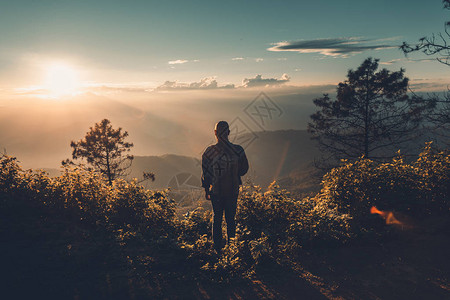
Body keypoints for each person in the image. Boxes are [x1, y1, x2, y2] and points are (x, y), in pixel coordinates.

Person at [201, 121, 249, 253]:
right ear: (228, 132)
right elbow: (244, 169)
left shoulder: (209, 152)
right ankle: (232, 249)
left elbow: (206, 174)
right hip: (232, 190)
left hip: (216, 191)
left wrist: (207, 190)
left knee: (217, 219)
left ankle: (217, 250)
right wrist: (233, 173)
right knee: (230, 219)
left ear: (215, 133)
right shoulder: (238, 150)